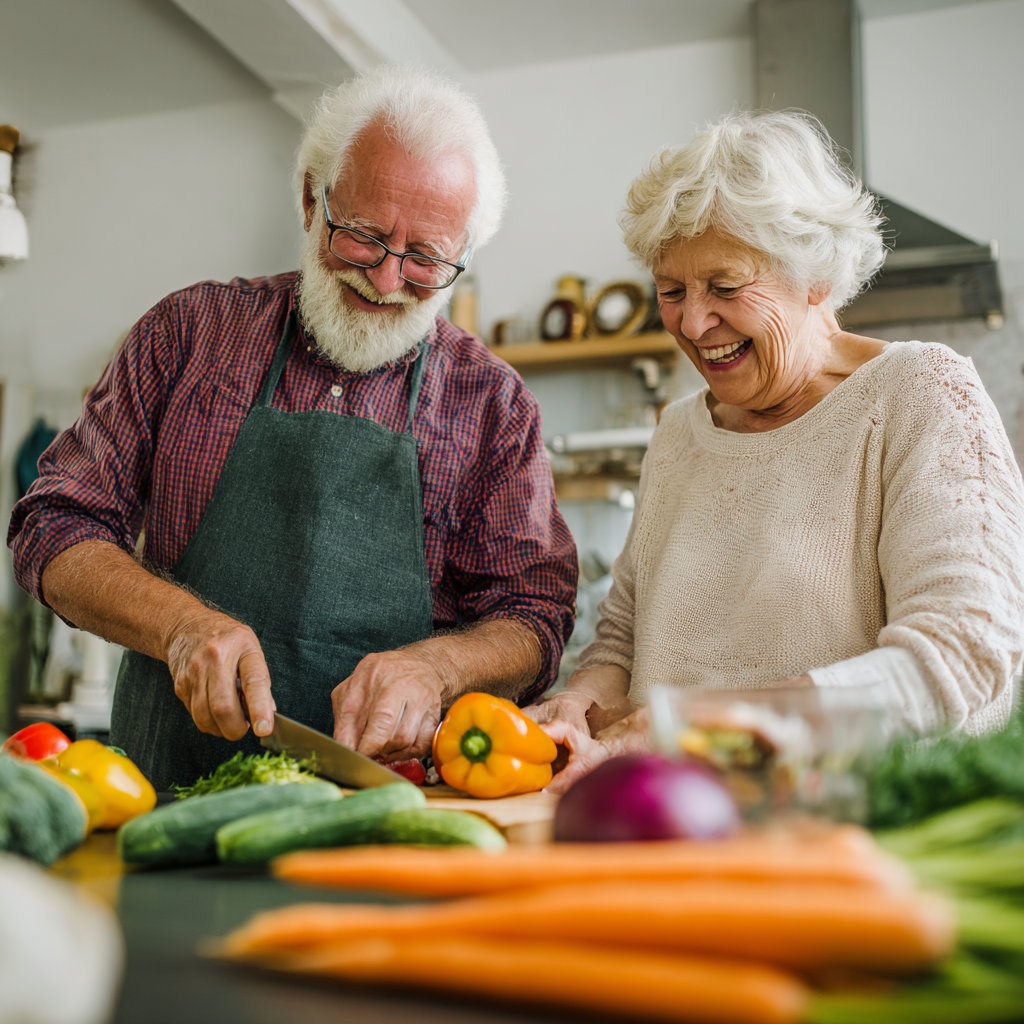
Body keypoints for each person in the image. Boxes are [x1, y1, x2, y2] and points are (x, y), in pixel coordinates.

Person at [8, 67, 577, 790]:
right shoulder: (187, 335)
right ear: (313, 199)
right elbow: (54, 521)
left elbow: (533, 614)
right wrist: (180, 626)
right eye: (366, 236)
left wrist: (442, 667)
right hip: (164, 797)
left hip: (386, 811)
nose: (389, 279)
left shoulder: (493, 405)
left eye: (427, 259)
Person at [528, 110, 1024, 792]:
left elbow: (963, 654)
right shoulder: (678, 433)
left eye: (726, 288)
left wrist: (702, 729)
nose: (695, 324)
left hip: (843, 830)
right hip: (658, 817)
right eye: (671, 292)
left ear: (815, 277)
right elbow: (622, 640)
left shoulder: (921, 395)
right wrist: (582, 699)